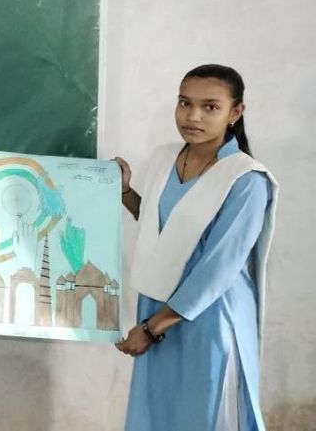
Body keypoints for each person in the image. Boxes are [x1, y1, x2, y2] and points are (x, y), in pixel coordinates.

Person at [115, 64, 278, 431]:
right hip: (158, 303)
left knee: (203, 414)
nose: (192, 116)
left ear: (236, 112)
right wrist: (124, 191)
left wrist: (153, 328)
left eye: (210, 107)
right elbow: (162, 227)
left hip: (208, 313)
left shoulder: (246, 179)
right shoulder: (165, 157)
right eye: (184, 103)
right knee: (159, 413)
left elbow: (219, 267)